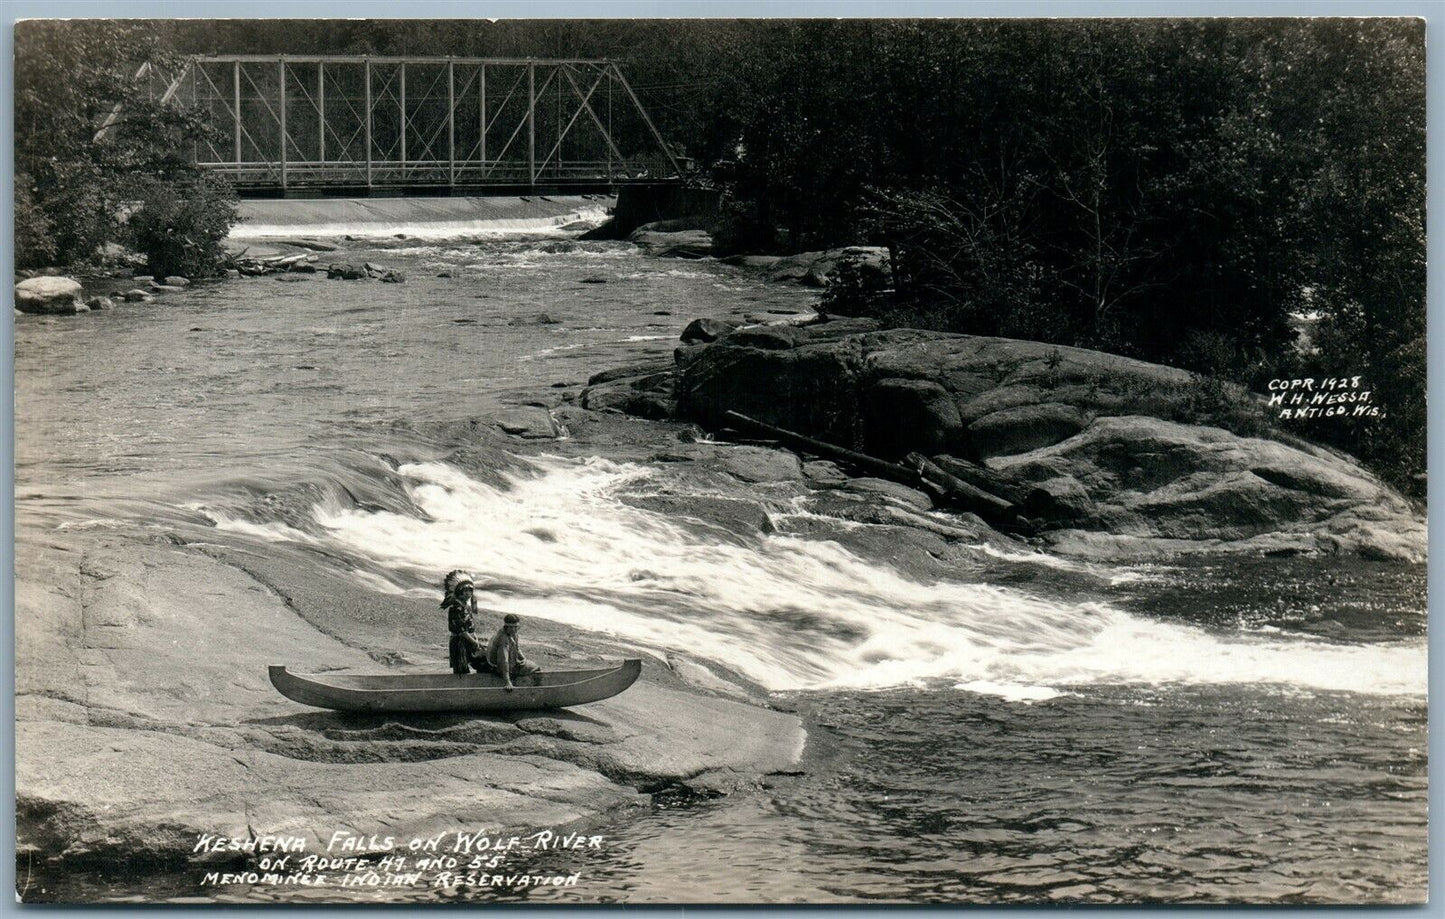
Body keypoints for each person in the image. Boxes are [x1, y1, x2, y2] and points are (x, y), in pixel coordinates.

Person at [441, 570, 485, 675]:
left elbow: (470, 625)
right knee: (461, 671)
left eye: (470, 591)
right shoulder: (456, 608)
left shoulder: (466, 606)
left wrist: (475, 638)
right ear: (460, 592)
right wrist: (474, 642)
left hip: (469, 640)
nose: (468, 593)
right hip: (459, 642)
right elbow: (461, 631)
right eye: (465, 591)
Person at [487, 613, 541, 690]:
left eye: (515, 627)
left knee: (534, 667)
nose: (513, 629)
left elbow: (517, 648)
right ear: (506, 626)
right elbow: (504, 660)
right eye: (511, 627)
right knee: (535, 669)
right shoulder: (503, 638)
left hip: (510, 662)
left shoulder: (513, 633)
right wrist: (507, 682)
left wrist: (524, 659)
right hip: (498, 667)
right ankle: (513, 681)